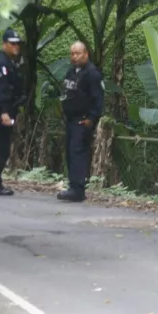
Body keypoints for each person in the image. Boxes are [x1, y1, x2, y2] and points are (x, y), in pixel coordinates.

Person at [58, 41, 104, 202]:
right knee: (71, 153)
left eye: (78, 53)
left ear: (86, 54)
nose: (74, 57)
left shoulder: (92, 74)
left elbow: (98, 99)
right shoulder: (71, 72)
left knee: (78, 153)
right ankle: (73, 186)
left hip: (82, 121)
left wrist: (91, 119)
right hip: (70, 120)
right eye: (72, 54)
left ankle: (78, 190)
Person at [0, 28, 24, 196]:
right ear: (4, 44)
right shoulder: (1, 63)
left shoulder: (9, 61)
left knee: (2, 147)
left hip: (6, 110)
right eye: (12, 43)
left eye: (17, 44)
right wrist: (4, 112)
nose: (16, 46)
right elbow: (0, 90)